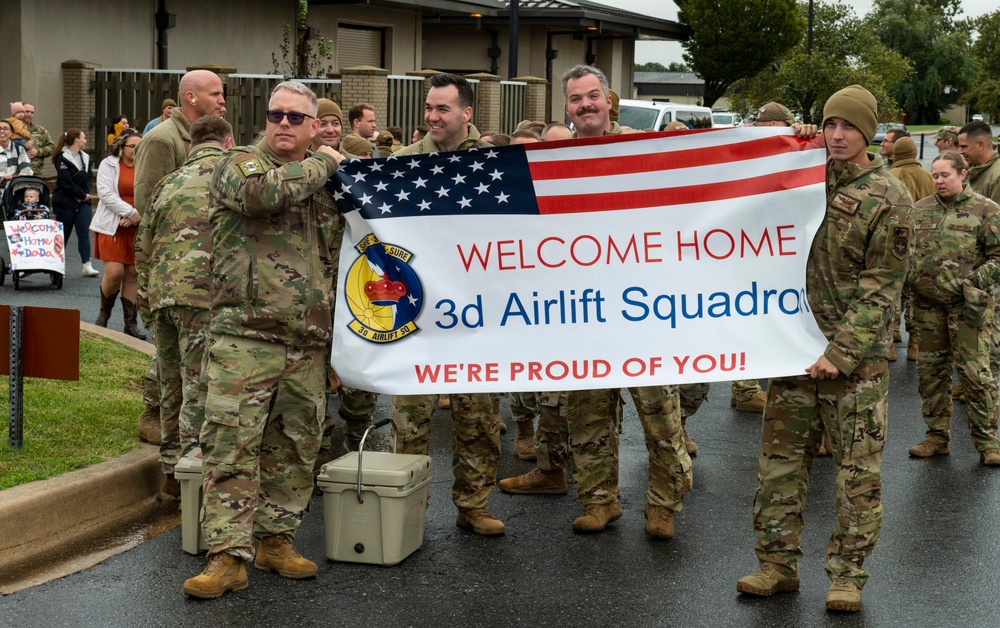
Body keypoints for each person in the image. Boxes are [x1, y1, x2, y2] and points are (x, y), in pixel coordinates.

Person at [736, 85, 914, 613]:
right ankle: (776, 565)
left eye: (849, 127)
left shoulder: (890, 196)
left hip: (853, 365)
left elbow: (883, 285)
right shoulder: (803, 173)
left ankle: (847, 577)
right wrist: (789, 140)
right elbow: (745, 174)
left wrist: (839, 354)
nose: (838, 136)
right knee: (779, 467)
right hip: (792, 350)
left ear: (870, 133)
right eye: (831, 125)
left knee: (856, 476)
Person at [499, 65, 693, 539]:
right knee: (587, 419)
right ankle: (600, 500)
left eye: (592, 96)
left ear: (609, 100)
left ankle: (662, 507)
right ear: (566, 107)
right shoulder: (551, 163)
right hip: (583, 316)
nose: (584, 105)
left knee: (661, 420)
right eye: (575, 99)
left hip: (643, 313)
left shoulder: (641, 148)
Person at [182, 81, 345, 599]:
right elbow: (263, 196)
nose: (284, 124)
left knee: (295, 447)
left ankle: (277, 539)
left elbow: (341, 257)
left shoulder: (327, 187)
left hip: (307, 340)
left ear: (313, 125)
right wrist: (326, 161)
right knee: (232, 445)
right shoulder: (238, 166)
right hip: (244, 337)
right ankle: (227, 556)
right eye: (277, 114)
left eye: (297, 118)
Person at [390, 73, 506, 537]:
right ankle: (407, 505)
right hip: (418, 314)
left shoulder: (495, 164)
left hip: (478, 314)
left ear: (466, 114)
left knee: (478, 416)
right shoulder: (400, 164)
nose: (432, 117)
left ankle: (473, 504)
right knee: (410, 416)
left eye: (442, 109)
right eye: (429, 108)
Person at [135, 115, 236, 504]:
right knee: (199, 387)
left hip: (164, 294)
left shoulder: (167, 182)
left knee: (170, 383)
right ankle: (194, 475)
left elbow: (142, 247)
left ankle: (172, 475)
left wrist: (147, 304)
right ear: (228, 143)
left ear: (191, 144)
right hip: (204, 296)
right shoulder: (230, 176)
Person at [133, 68, 226, 447]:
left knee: (176, 361)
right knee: (182, 366)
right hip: (173, 268)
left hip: (186, 272)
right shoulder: (162, 139)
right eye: (216, 93)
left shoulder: (193, 136)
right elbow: (148, 202)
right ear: (191, 97)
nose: (223, 100)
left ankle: (166, 432)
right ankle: (157, 417)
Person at [905, 151, 1000, 466]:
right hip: (928, 307)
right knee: (931, 373)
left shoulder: (986, 211)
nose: (939, 181)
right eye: (935, 175)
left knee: (975, 376)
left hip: (968, 309)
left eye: (945, 174)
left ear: (963, 174)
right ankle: (936, 436)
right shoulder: (920, 210)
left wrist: (971, 282)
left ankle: (988, 443)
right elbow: (905, 252)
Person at [957, 120, 1000, 404]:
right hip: (974, 266)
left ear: (981, 144)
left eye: (964, 147)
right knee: (972, 330)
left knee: (989, 336)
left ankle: (985, 394)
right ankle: (968, 384)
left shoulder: (996, 177)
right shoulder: (976, 173)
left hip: (988, 269)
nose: (961, 152)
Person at [92, 129, 144, 337]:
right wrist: (130, 212)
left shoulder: (145, 165)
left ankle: (130, 324)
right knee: (115, 273)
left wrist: (137, 216)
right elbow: (105, 194)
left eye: (140, 146)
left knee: (132, 274)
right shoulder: (109, 164)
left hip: (137, 226)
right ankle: (103, 315)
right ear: (122, 148)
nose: (136, 150)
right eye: (133, 146)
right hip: (112, 225)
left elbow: (152, 191)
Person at [888, 136, 934, 361]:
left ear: (896, 154)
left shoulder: (890, 176)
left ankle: (890, 341)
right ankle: (914, 343)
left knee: (893, 293)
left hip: (896, 240)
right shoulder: (928, 176)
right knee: (915, 294)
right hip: (924, 240)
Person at [52, 128, 99, 277]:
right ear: (77, 140)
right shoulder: (62, 158)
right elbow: (65, 182)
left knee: (84, 231)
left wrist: (85, 194)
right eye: (84, 138)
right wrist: (80, 194)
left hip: (83, 202)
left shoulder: (85, 157)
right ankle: (56, 266)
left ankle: (87, 265)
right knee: (62, 235)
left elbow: (89, 178)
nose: (85, 141)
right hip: (65, 202)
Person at [0, 119, 33, 203]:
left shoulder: (19, 149)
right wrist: (2, 179)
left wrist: (17, 178)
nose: (2, 131)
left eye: (5, 128)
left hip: (13, 195)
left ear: (11, 133)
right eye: (0, 128)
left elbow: (27, 170)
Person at [22, 103, 54, 175]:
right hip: (16, 173)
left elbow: (52, 147)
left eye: (32, 112)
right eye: (27, 111)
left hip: (35, 172)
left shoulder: (40, 130)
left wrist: (38, 152)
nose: (29, 114)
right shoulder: (12, 130)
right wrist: (23, 146)